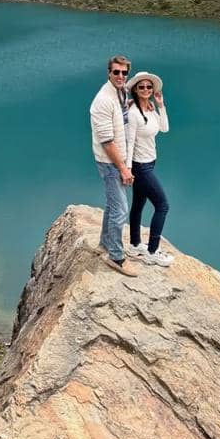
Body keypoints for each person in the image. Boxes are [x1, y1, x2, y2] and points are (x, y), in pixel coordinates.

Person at [90, 54, 139, 275]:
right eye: (116, 72)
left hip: (117, 159)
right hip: (110, 162)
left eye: (124, 72)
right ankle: (116, 257)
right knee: (121, 210)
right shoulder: (103, 101)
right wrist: (124, 169)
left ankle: (104, 244)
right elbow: (107, 142)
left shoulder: (120, 92)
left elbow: (122, 116)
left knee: (112, 204)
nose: (121, 76)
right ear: (109, 72)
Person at [124, 70, 174, 267]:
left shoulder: (151, 109)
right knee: (162, 205)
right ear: (135, 89)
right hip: (140, 166)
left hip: (150, 162)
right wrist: (127, 170)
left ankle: (135, 244)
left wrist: (160, 105)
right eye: (141, 86)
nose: (146, 89)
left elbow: (164, 128)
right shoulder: (134, 113)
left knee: (138, 204)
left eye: (149, 86)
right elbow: (129, 143)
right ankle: (152, 251)